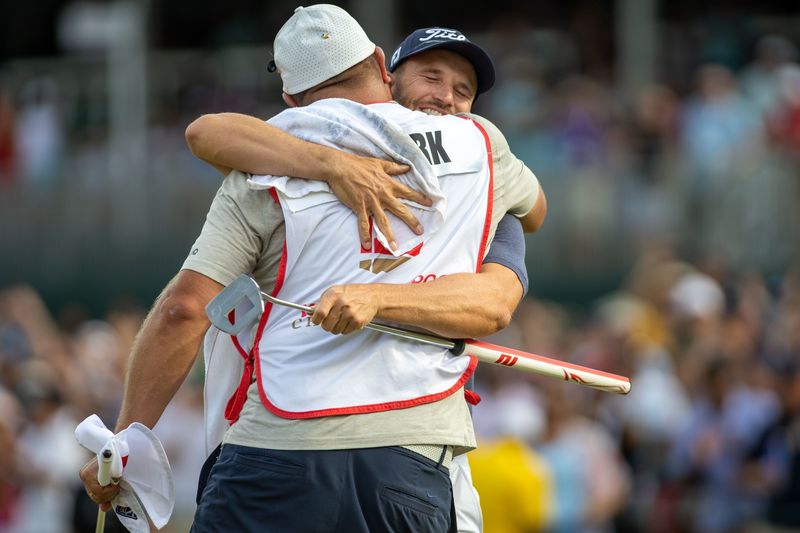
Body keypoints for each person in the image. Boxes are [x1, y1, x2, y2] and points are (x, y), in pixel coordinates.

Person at [80, 5, 542, 531]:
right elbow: (536, 207)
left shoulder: (257, 169)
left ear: (291, 97)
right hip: (407, 459)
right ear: (382, 65)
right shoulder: (479, 146)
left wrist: (122, 442)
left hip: (271, 454)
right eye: (432, 77)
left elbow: (184, 310)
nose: (446, 97)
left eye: (462, 87)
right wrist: (335, 165)